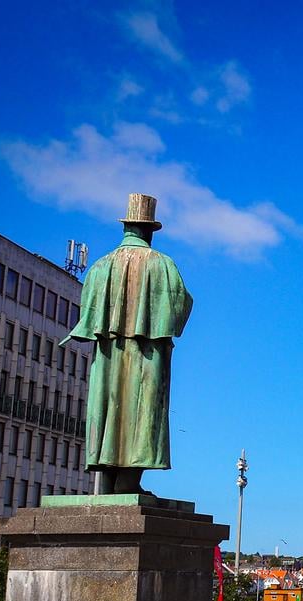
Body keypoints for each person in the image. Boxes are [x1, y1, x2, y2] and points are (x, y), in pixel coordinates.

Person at [63, 193, 193, 494]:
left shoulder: (100, 266)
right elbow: (180, 303)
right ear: (149, 230)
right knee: (139, 414)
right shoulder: (162, 264)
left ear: (125, 228)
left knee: (108, 411)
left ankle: (107, 486)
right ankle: (128, 484)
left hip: (108, 354)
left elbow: (88, 314)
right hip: (147, 354)